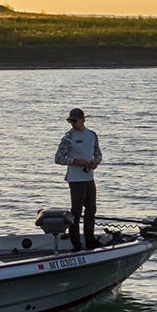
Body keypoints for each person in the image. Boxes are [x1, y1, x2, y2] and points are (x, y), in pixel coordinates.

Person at [54, 107, 101, 250]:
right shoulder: (68, 137)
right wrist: (75, 161)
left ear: (83, 120)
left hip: (89, 177)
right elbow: (58, 158)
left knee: (91, 210)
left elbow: (98, 153)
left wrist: (95, 162)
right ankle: (76, 244)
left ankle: (90, 240)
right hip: (75, 179)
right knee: (76, 211)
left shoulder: (92, 135)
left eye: (75, 121)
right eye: (70, 121)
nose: (72, 124)